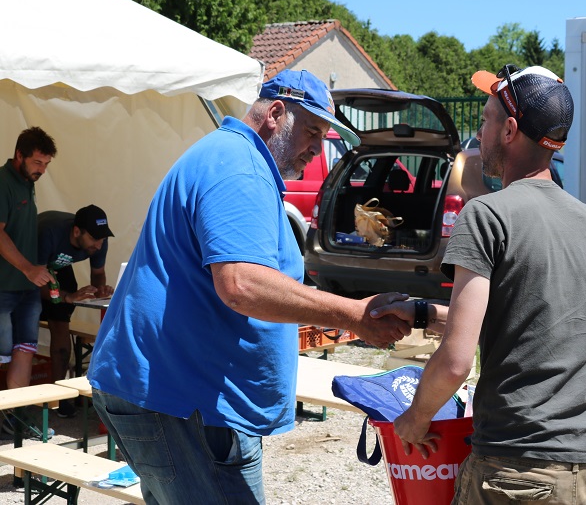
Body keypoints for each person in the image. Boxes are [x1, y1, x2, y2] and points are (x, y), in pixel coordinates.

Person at [88, 69, 411, 504]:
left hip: (174, 397)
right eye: (312, 132)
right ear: (275, 113)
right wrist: (352, 314)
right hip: (181, 401)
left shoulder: (230, 156)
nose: (318, 148)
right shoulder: (241, 168)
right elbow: (241, 284)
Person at [372, 66, 586, 504]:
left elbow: (455, 362)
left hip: (517, 471)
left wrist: (416, 417)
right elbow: (539, 321)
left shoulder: (486, 215)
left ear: (509, 130)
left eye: (485, 119)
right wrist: (423, 313)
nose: (479, 132)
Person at [0, 127, 58, 437]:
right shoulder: (3, 182)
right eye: (37, 162)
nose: (42, 170)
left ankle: (15, 420)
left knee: (25, 350)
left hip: (26, 287)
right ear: (19, 155)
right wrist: (28, 269)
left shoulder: (27, 182)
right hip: (4, 285)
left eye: (46, 164)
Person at [38, 205, 115, 418]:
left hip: (57, 268)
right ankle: (19, 402)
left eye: (102, 239)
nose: (99, 245)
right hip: (26, 267)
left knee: (61, 325)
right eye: (94, 239)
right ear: (76, 231)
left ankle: (60, 397)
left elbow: (98, 273)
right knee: (21, 328)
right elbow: (33, 280)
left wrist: (100, 290)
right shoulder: (48, 232)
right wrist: (67, 297)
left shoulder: (99, 241)